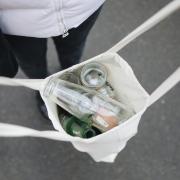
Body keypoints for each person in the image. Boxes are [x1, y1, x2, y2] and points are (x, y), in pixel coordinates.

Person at [0, 0, 105, 119]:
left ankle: (72, 79)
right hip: (17, 21)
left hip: (82, 10)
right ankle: (43, 88)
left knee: (73, 54)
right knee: (32, 65)